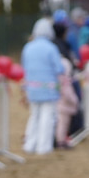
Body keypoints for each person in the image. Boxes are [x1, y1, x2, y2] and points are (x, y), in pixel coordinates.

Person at [20, 18, 65, 155]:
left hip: (32, 89)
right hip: (49, 89)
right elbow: (59, 68)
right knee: (47, 117)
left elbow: (24, 67)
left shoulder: (28, 47)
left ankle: (30, 144)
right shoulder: (51, 48)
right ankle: (43, 147)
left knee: (34, 116)